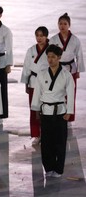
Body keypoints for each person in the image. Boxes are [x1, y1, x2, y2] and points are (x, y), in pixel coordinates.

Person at [31, 44, 75, 178]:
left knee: (60, 142)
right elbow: (37, 92)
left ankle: (59, 169)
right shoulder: (42, 74)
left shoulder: (66, 75)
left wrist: (69, 111)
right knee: (46, 142)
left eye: (53, 57)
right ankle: (48, 167)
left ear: (59, 58)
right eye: (48, 57)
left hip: (60, 111)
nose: (50, 60)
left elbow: (70, 94)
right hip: (46, 111)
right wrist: (36, 109)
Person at [50, 13, 84, 122]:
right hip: (57, 69)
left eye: (65, 24)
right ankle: (59, 115)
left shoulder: (75, 40)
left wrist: (78, 70)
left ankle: (69, 117)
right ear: (57, 25)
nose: (62, 26)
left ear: (69, 25)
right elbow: (49, 55)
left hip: (70, 69)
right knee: (58, 93)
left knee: (70, 93)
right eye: (60, 24)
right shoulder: (54, 39)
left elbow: (79, 56)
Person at [20, 26, 49, 145]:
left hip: (47, 83)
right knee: (34, 109)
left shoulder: (51, 50)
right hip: (33, 82)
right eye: (37, 35)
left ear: (46, 37)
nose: (39, 38)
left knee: (47, 109)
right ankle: (36, 134)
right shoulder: (31, 50)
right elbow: (26, 67)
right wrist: (26, 82)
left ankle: (47, 133)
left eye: (42, 35)